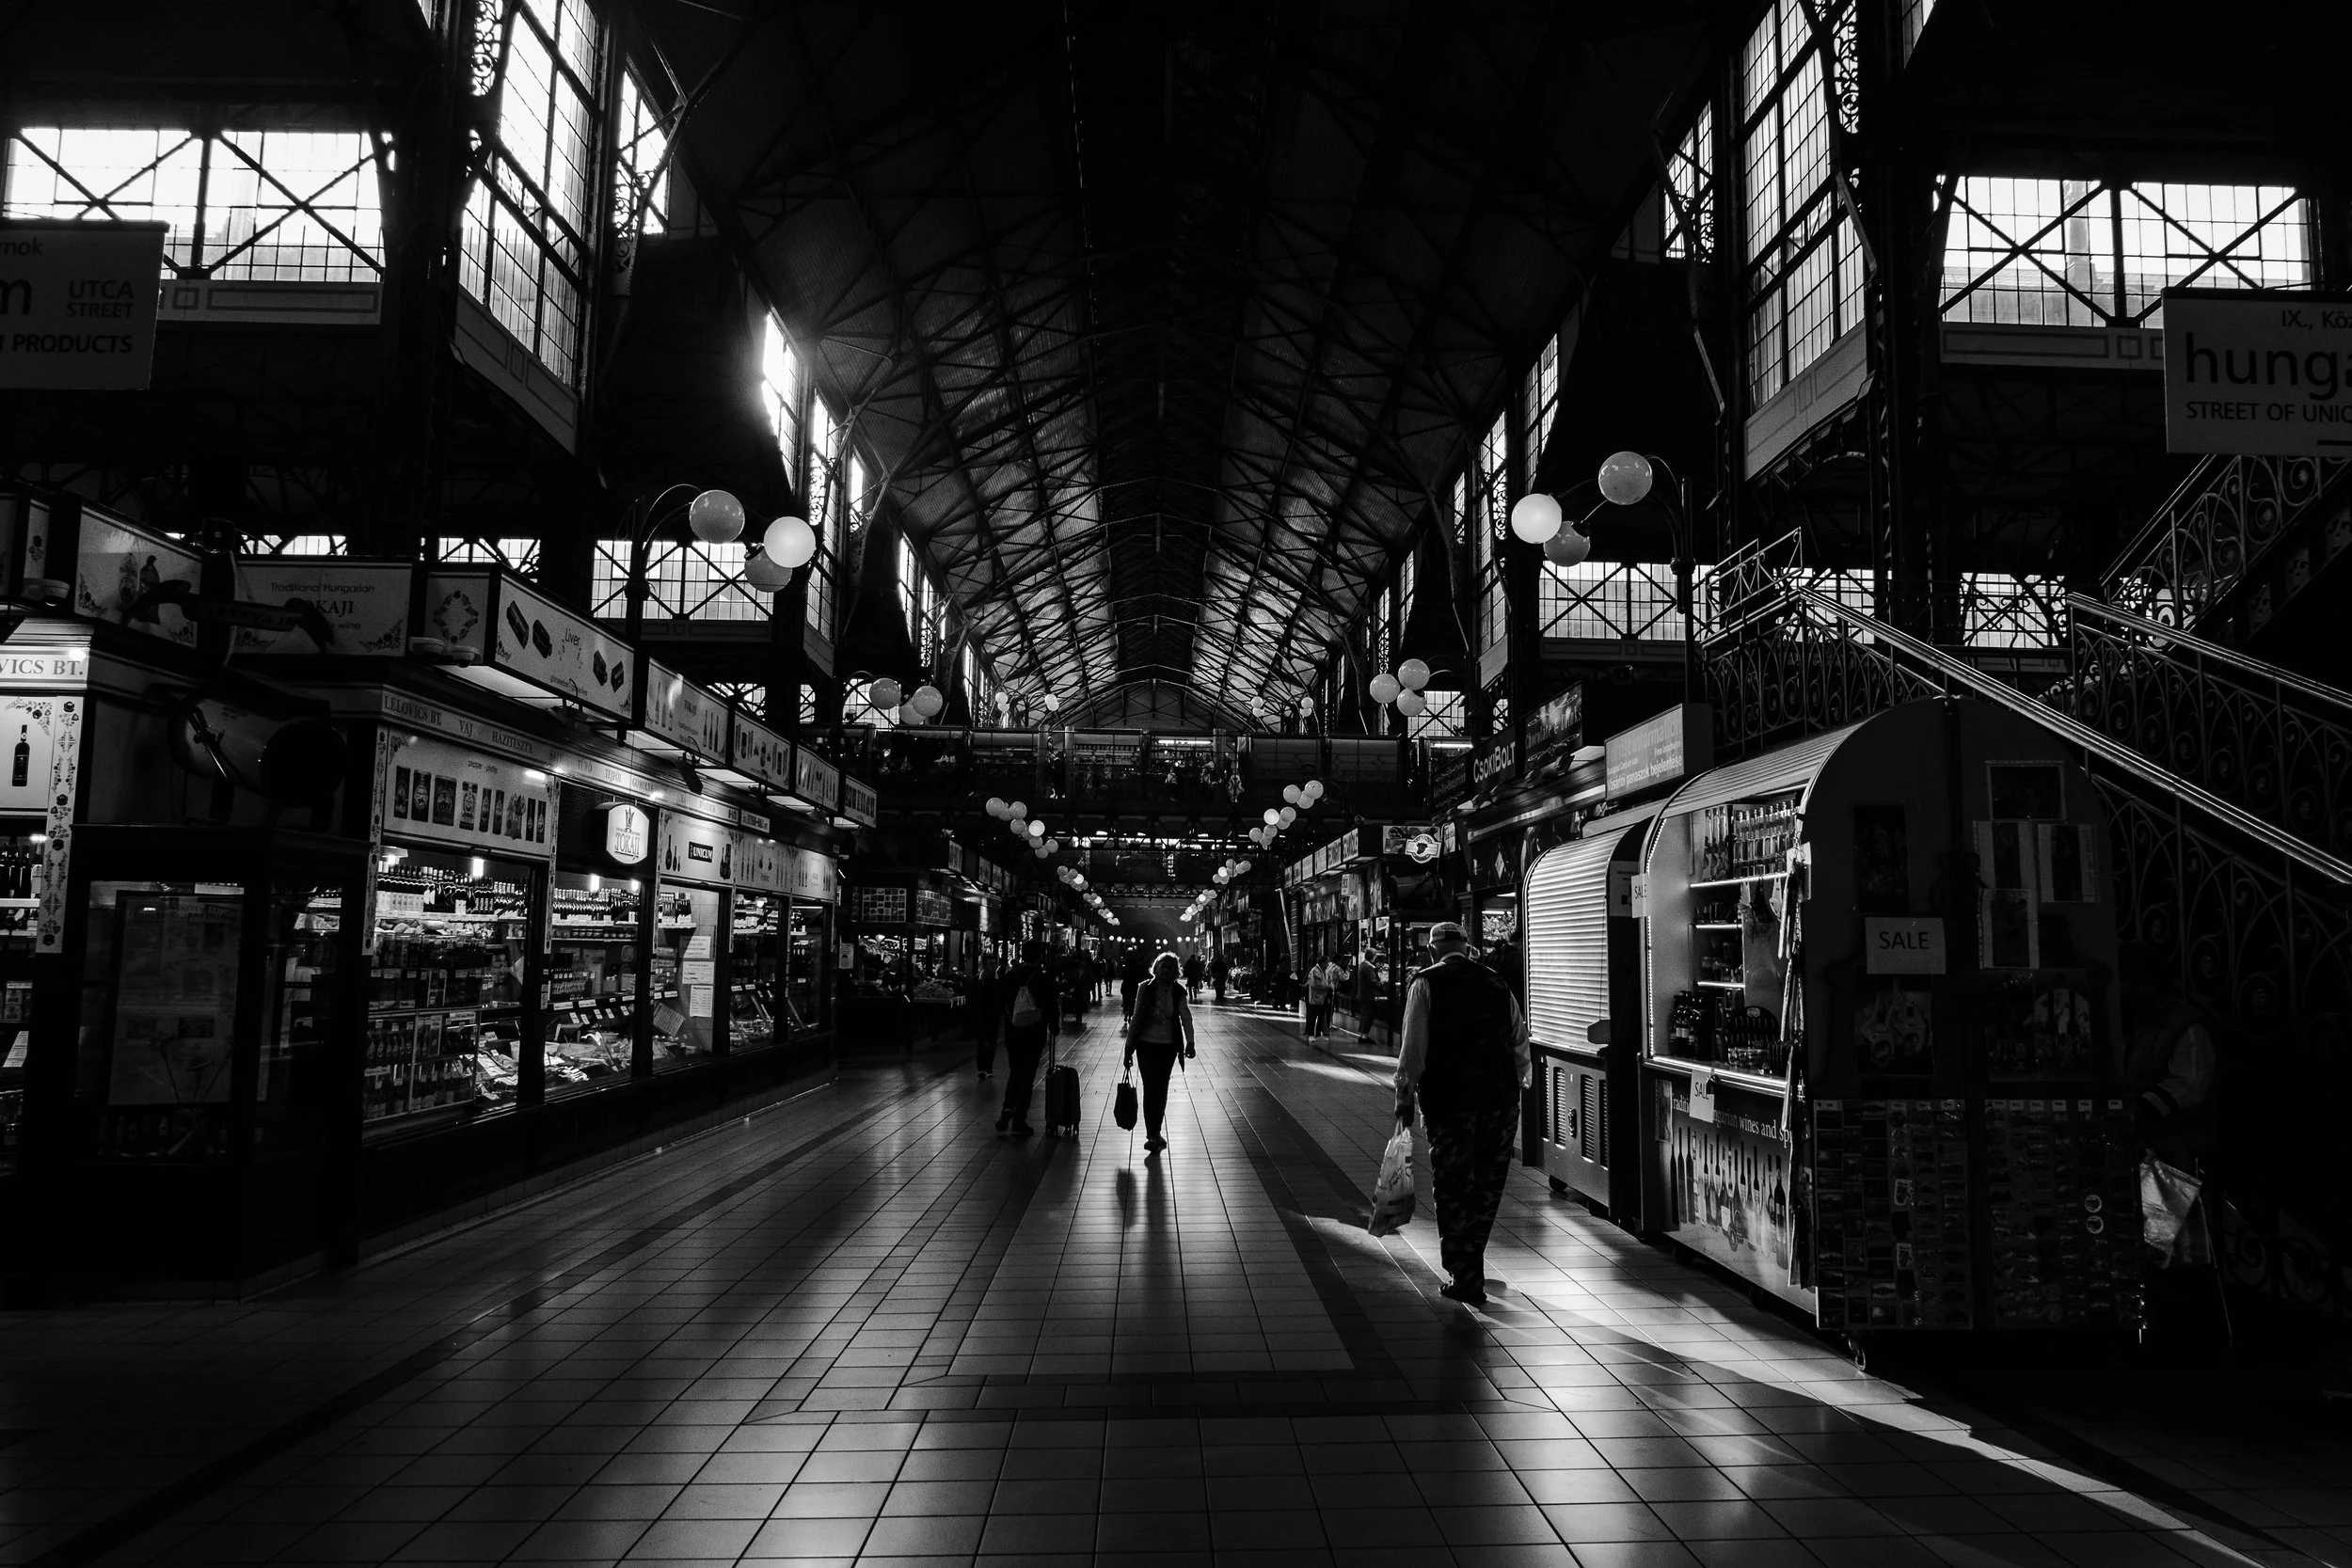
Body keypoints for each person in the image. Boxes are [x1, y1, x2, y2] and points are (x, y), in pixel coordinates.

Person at [1393, 921, 1532, 1307]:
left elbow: (1413, 1050)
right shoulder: (1496, 983)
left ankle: (1465, 1273)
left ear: (1432, 950)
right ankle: (1471, 1265)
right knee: (1487, 1187)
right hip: (1500, 1104)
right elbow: (1520, 1042)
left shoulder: (1425, 983)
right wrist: (1517, 1088)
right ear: (1468, 947)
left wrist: (1404, 1098)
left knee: (1454, 1186)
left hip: (1450, 1104)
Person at [1123, 951, 1197, 1153]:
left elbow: (1185, 1017)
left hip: (1168, 1047)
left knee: (1161, 1088)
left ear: (1175, 972)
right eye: (1162, 966)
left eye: (1170, 967)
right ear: (1156, 968)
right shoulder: (1144, 988)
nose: (1165, 970)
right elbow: (1136, 1017)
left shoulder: (1178, 991)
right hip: (1145, 1045)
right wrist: (1128, 1048)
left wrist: (1190, 1042)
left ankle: (1156, 1131)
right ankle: (1152, 1134)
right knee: (1150, 1088)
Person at [994, 941, 1061, 1137]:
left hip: (1013, 1032)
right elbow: (1051, 1005)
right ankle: (1019, 1119)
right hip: (1034, 1033)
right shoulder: (1042, 978)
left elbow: (1000, 1002)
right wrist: (1054, 1025)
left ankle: (1007, 1107)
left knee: (1015, 1071)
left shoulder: (1010, 977)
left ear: (1022, 955)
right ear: (1039, 956)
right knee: (1028, 1075)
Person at [973, 955, 1002, 1080]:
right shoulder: (977, 980)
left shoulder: (999, 981)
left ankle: (989, 1067)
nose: (993, 966)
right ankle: (981, 1068)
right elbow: (972, 997)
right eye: (991, 964)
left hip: (993, 1016)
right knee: (981, 1042)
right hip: (981, 1016)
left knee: (991, 1042)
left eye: (995, 963)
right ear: (984, 965)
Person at [1304, 955, 1338, 1037]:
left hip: (1323, 998)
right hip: (1315, 998)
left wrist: (1330, 986)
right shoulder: (1315, 971)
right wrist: (1326, 987)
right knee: (1313, 1017)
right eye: (1326, 963)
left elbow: (1329, 981)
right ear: (1322, 963)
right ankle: (1311, 1034)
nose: (1328, 964)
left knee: (1321, 1017)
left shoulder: (1325, 971)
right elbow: (1315, 984)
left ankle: (1318, 1034)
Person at [1121, 950, 1148, 1022]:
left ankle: (1126, 1012)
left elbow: (1122, 976)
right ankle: (1130, 1015)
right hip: (1133, 986)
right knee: (1132, 1001)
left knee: (1125, 1000)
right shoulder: (1136, 966)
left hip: (1126, 985)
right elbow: (1139, 976)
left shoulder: (1125, 966)